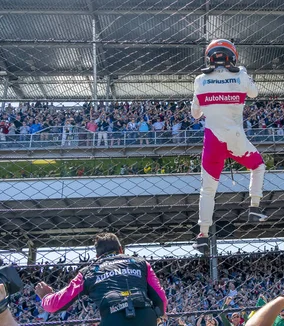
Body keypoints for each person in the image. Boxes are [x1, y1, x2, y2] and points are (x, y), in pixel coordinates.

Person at [191, 39, 267, 253]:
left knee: (207, 190)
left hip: (212, 139)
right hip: (235, 137)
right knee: (258, 166)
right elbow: (254, 93)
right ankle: (254, 206)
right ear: (232, 56)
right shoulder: (240, 74)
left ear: (209, 57)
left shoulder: (200, 80)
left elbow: (195, 114)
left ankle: (203, 234)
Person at [35, 232, 167, 326]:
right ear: (121, 250)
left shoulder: (89, 272)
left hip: (113, 318)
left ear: (97, 255)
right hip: (146, 316)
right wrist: (159, 315)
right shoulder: (141, 263)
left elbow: (56, 305)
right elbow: (160, 297)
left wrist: (46, 296)